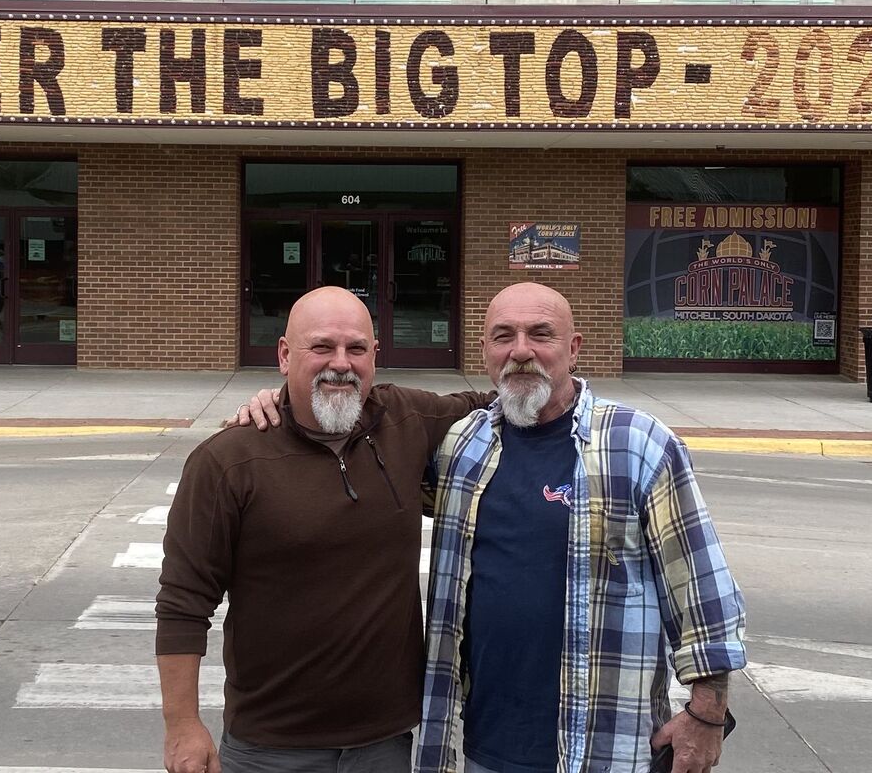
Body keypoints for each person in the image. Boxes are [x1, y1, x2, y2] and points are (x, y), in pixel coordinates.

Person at [155, 286, 492, 773]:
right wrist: (182, 724)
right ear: (285, 356)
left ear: (375, 356)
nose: (341, 362)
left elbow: (510, 399)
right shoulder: (228, 461)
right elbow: (183, 604)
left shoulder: (408, 420)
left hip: (386, 742)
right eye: (321, 347)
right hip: (268, 747)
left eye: (356, 348)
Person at [415, 281, 746, 773]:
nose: (521, 350)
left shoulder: (637, 444)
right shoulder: (461, 447)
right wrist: (275, 404)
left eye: (540, 334)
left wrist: (708, 715)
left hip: (606, 751)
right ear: (484, 350)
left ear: (573, 349)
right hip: (485, 746)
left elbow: (701, 592)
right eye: (503, 335)